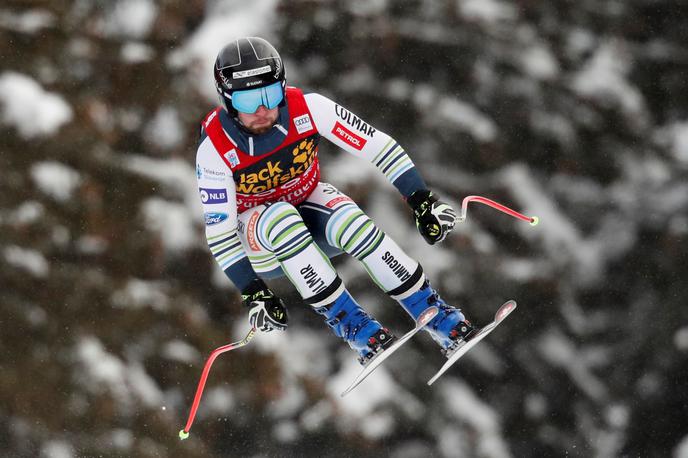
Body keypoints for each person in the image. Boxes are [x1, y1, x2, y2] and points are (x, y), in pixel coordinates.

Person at [195, 37, 475, 366]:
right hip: (261, 241)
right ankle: (356, 328)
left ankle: (440, 319)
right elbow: (220, 234)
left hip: (307, 208)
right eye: (247, 100)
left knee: (349, 219)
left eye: (270, 94)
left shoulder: (308, 108)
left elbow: (377, 146)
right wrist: (253, 291)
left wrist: (421, 200)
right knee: (282, 217)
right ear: (227, 100)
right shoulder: (215, 149)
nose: (262, 109)